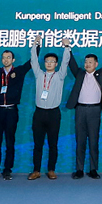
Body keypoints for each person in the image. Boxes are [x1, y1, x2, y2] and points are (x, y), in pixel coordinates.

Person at [65, 46, 102, 179]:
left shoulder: (100, 74)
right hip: (80, 110)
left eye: (90, 62)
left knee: (94, 141)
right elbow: (72, 63)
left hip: (95, 110)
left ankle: (93, 169)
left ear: (96, 64)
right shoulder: (79, 74)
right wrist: (67, 48)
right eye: (86, 62)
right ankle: (79, 169)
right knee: (80, 141)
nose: (87, 64)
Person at [0, 46, 32, 180]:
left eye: (8, 57)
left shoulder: (19, 71)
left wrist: (36, 45)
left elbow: (31, 62)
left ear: (13, 60)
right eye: (3, 58)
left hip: (11, 111)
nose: (6, 60)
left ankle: (7, 170)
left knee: (10, 142)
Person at [27, 35, 71, 181]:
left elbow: (66, 62)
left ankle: (51, 170)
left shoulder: (60, 76)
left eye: (52, 61)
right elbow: (33, 61)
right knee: (37, 144)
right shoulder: (39, 74)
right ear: (44, 63)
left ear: (56, 64)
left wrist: (66, 47)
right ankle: (36, 170)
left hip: (54, 113)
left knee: (53, 143)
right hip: (39, 113)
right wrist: (35, 45)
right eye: (47, 61)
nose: (49, 63)